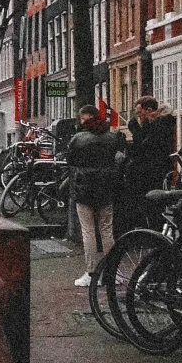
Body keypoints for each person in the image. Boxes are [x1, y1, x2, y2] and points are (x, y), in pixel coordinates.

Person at [67, 106, 123, 286]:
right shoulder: (112, 137)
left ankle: (92, 273)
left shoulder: (78, 138)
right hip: (106, 187)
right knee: (107, 230)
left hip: (84, 188)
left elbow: (71, 160)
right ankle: (112, 272)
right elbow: (118, 157)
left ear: (84, 120)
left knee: (88, 231)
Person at [117, 96, 177, 230]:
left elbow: (145, 148)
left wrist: (134, 131)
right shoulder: (154, 124)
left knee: (153, 205)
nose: (138, 116)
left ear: (148, 110)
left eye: (139, 113)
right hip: (152, 171)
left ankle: (154, 232)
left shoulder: (159, 125)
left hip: (153, 172)